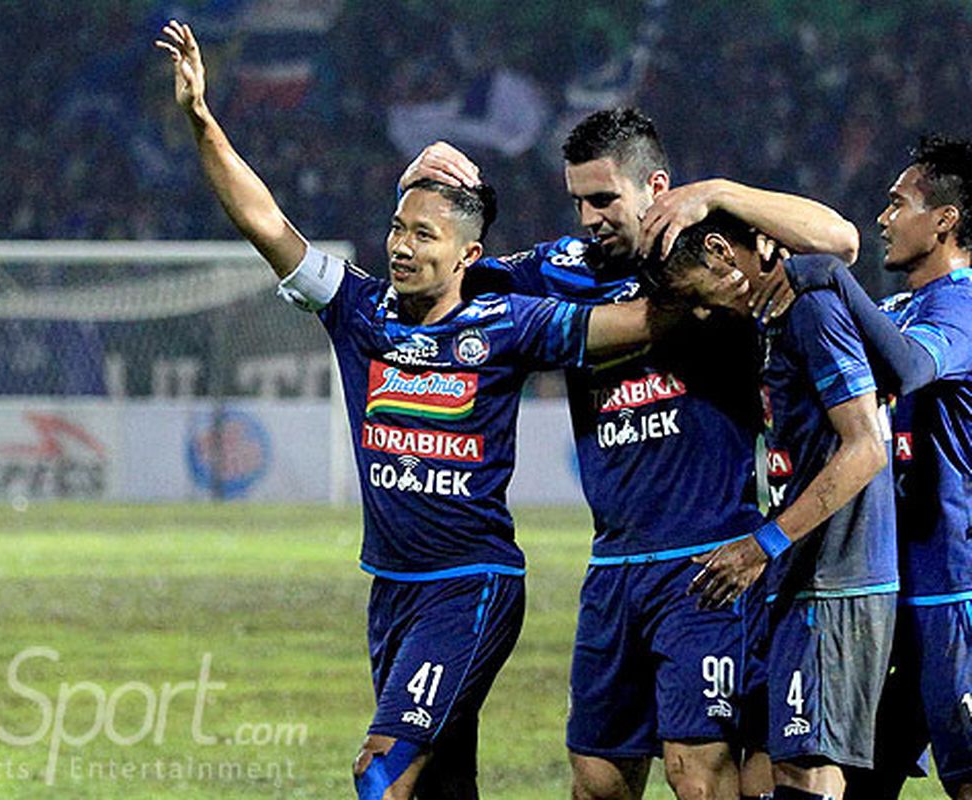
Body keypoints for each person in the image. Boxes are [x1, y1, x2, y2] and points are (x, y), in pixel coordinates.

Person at [155, 21, 655, 799]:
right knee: (438, 786)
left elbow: (629, 326)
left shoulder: (505, 325)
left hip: (472, 583)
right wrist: (201, 118)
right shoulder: (360, 312)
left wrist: (714, 294)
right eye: (396, 227)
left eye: (423, 234)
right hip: (391, 587)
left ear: (467, 256)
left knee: (383, 767)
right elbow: (262, 222)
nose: (401, 245)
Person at [401, 111, 859, 800]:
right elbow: (452, 275)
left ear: (657, 187)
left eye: (604, 199)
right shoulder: (561, 271)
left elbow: (841, 242)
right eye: (578, 200)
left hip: (707, 557)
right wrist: (428, 197)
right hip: (613, 563)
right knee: (597, 781)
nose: (589, 217)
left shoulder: (716, 246)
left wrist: (721, 193)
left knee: (697, 775)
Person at [652, 211, 897, 800]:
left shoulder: (811, 310)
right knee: (789, 772)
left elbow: (866, 449)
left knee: (808, 776)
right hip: (808, 574)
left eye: (697, 295)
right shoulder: (772, 322)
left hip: (837, 580)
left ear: (720, 251)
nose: (705, 312)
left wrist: (765, 545)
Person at [798, 136, 972, 800]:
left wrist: (835, 276)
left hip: (954, 591)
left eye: (899, 203)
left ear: (945, 220)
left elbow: (907, 368)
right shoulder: (902, 310)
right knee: (862, 781)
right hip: (896, 593)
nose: (882, 218)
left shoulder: (959, 304)